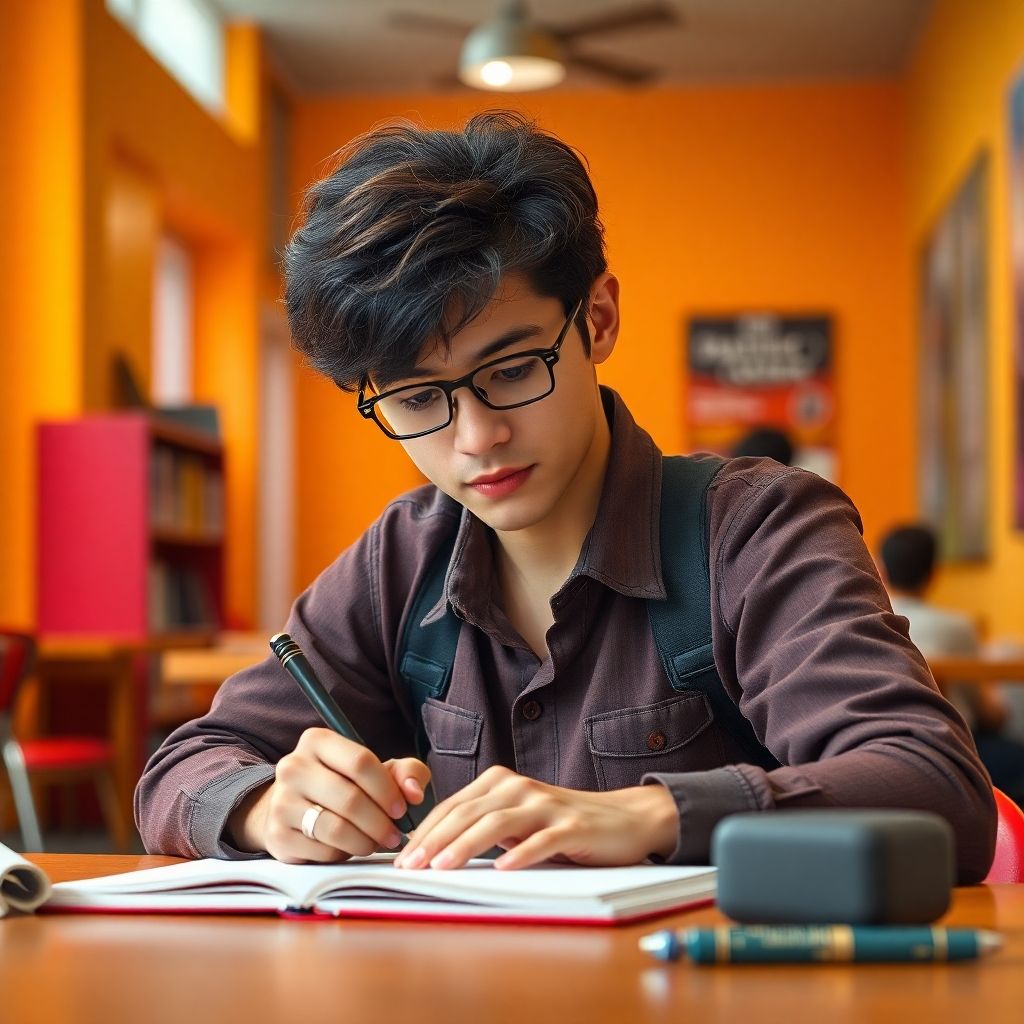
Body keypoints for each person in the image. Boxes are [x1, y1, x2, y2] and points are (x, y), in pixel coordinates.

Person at [136, 112, 995, 881]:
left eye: (511, 371)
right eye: (416, 399)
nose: (475, 438)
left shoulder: (755, 529)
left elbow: (933, 785)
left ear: (598, 320)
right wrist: (262, 806)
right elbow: (186, 766)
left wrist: (652, 814)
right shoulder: (401, 561)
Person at [878, 523, 1024, 805]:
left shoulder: (871, 619)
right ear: (934, 574)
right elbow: (985, 713)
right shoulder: (959, 628)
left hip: (885, 751)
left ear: (880, 570)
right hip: (954, 751)